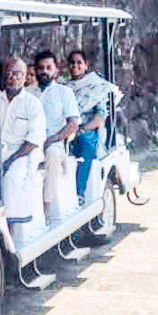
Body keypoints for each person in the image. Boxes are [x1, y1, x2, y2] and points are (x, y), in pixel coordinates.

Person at [0, 57, 46, 235]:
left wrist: (11, 160)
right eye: (8, 73)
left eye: (17, 74)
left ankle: (8, 232)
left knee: (12, 178)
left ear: (25, 77)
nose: (12, 78)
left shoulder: (33, 104)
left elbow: (34, 139)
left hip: (22, 154)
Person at [34, 50, 80, 220]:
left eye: (48, 67)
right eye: (40, 68)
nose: (44, 71)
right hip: (30, 142)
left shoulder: (64, 92)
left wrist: (51, 140)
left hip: (55, 143)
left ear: (56, 70)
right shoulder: (29, 92)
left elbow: (73, 124)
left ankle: (46, 207)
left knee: (52, 155)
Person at [66, 50, 113, 199]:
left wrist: (80, 130)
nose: (75, 65)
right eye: (72, 62)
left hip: (86, 129)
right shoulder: (64, 87)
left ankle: (79, 193)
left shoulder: (96, 86)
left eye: (79, 62)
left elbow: (99, 116)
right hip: (65, 128)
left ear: (86, 65)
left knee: (86, 143)